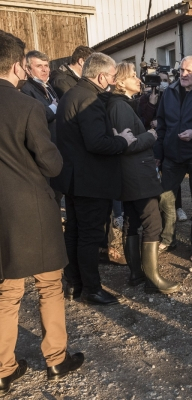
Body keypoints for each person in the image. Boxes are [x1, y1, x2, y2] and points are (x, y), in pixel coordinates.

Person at [0, 30, 84, 395]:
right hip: (33, 210)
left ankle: (3, 368)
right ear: (18, 66)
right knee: (49, 285)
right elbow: (51, 165)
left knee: (7, 293)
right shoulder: (28, 107)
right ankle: (55, 358)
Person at [53, 52, 138, 306]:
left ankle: (74, 283)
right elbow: (96, 143)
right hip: (90, 180)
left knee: (75, 232)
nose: (113, 81)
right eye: (112, 76)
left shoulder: (72, 94)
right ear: (101, 76)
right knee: (89, 236)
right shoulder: (89, 99)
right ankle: (91, 288)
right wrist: (123, 139)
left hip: (74, 178)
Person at [104, 62, 180, 294]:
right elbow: (129, 143)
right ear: (120, 82)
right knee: (152, 222)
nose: (139, 80)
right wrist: (151, 135)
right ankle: (152, 278)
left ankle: (137, 274)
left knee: (133, 221)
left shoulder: (123, 104)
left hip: (132, 172)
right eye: (133, 76)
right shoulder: (119, 107)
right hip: (136, 172)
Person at [154, 55, 192, 261]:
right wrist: (158, 154)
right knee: (165, 198)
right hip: (172, 154)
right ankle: (168, 239)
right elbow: (161, 124)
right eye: (181, 70)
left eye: (188, 71)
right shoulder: (169, 92)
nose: (183, 74)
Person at [137, 73, 189, 223]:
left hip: (169, 143)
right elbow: (141, 121)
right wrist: (151, 104)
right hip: (151, 143)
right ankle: (154, 210)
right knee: (155, 180)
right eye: (160, 81)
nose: (162, 84)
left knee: (172, 180)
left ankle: (178, 207)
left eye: (165, 80)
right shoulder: (144, 99)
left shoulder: (173, 95)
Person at [20, 50, 62, 207]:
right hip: (42, 149)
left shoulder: (48, 86)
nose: (45, 70)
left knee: (57, 192)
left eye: (47, 66)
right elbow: (37, 115)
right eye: (39, 66)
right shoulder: (26, 89)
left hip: (55, 146)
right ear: (28, 69)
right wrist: (53, 108)